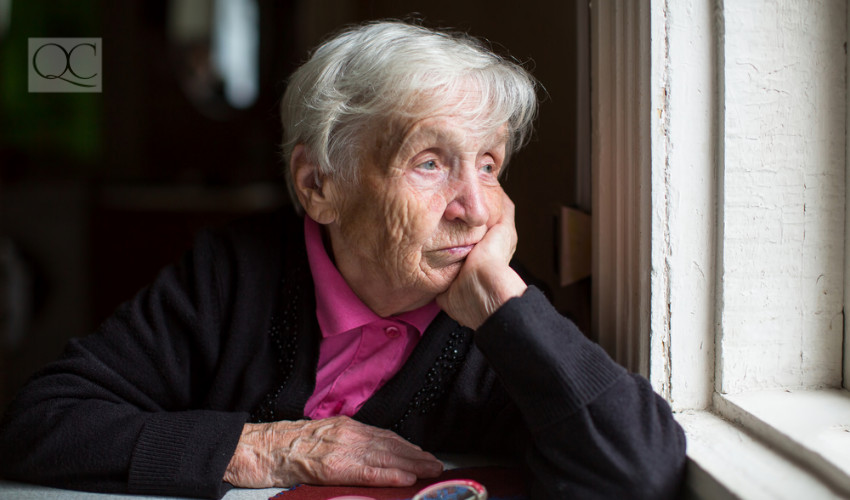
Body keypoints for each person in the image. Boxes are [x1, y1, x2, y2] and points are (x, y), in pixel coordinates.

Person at [0, 20, 686, 499]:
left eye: (488, 164)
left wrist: (507, 308)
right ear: (319, 185)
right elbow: (42, 425)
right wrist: (265, 448)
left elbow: (637, 470)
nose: (475, 210)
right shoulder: (231, 277)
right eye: (429, 163)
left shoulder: (497, 315)